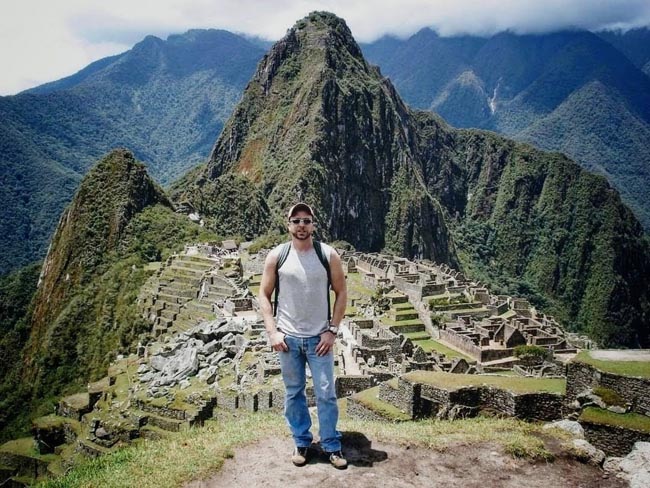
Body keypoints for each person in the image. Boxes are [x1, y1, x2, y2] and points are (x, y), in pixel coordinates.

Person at [258, 202, 348, 469]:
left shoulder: (327, 255)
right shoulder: (277, 256)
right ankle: (302, 441)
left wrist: (332, 330)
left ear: (313, 225)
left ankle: (332, 445)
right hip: (288, 340)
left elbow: (341, 292)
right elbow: (263, 294)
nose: (301, 226)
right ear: (288, 225)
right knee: (294, 393)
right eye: (296, 221)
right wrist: (273, 332)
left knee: (326, 393)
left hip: (319, 339)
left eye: (306, 221)